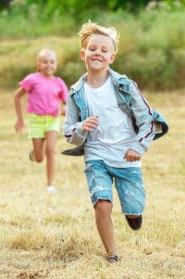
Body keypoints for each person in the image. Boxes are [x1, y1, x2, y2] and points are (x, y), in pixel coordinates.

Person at [63, 21, 168, 263]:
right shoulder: (76, 93)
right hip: (96, 155)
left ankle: (133, 214)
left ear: (112, 56)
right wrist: (81, 128)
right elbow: (68, 132)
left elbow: (147, 120)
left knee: (133, 208)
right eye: (92, 48)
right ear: (83, 54)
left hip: (126, 155)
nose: (97, 53)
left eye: (103, 49)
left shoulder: (124, 86)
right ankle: (112, 254)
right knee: (102, 203)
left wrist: (138, 147)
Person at [13, 48, 68, 194]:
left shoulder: (58, 82)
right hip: (36, 121)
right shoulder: (32, 79)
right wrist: (20, 120)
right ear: (39, 64)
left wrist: (65, 108)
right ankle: (35, 153)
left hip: (52, 120)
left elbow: (66, 102)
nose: (48, 65)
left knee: (51, 151)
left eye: (51, 62)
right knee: (39, 159)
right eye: (45, 62)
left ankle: (50, 185)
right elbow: (17, 97)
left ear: (56, 65)